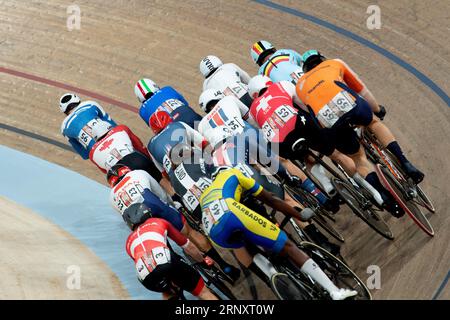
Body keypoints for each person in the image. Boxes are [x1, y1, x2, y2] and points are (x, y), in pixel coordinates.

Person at [248, 74, 403, 217]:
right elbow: (304, 106)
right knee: (337, 154)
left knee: (306, 159)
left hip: (282, 143)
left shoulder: (253, 110)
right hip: (300, 125)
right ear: (268, 83)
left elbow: (262, 131)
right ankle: (378, 194)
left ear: (253, 95)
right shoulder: (281, 85)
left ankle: (326, 184)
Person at [200, 166, 357, 300]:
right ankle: (335, 291)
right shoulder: (232, 173)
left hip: (213, 232)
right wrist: (299, 215)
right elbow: (272, 200)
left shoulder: (205, 195)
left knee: (246, 247)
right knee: (288, 246)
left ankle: (273, 275)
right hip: (231, 214)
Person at [198, 88, 340, 214]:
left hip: (232, 151)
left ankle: (288, 200)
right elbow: (252, 120)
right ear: (219, 97)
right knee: (282, 162)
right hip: (249, 136)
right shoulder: (229, 99)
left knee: (257, 172)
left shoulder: (202, 125)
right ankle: (321, 198)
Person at [296, 50, 424, 184]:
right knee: (374, 122)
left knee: (357, 157)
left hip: (329, 120)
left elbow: (312, 113)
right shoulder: (334, 63)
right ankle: (405, 163)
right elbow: (361, 88)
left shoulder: (299, 85)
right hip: (350, 105)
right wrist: (377, 109)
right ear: (322, 58)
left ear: (304, 69)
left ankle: (383, 196)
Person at [108, 163, 241, 281]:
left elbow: (127, 218)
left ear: (112, 183)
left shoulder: (112, 196)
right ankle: (225, 266)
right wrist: (173, 206)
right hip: (154, 205)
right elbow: (161, 195)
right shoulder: (137, 173)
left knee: (164, 247)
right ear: (126, 170)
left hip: (139, 220)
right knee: (189, 233)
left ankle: (181, 267)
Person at [123, 203, 218, 300]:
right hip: (164, 261)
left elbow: (148, 262)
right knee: (202, 292)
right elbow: (188, 247)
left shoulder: (128, 242)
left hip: (146, 277)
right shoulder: (158, 221)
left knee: (167, 291)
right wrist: (202, 262)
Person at [87, 121, 162, 183]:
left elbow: (105, 171)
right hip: (135, 159)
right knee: (161, 180)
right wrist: (150, 161)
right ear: (108, 127)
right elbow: (139, 146)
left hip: (119, 171)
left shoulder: (91, 153)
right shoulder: (121, 128)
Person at [59, 93, 117, 159]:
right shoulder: (91, 104)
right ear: (78, 100)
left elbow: (85, 155)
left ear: (64, 112)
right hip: (113, 138)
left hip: (99, 153)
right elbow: (113, 125)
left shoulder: (64, 127)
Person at [135, 78, 202, 129]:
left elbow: (156, 129)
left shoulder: (142, 111)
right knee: (206, 132)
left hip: (174, 129)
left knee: (192, 144)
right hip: (189, 115)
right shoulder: (167, 89)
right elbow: (185, 104)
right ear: (154, 85)